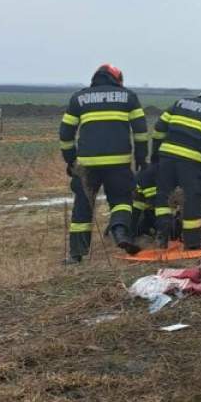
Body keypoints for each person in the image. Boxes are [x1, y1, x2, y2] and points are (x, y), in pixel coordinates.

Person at [58, 63, 147, 260]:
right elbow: (141, 132)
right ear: (117, 79)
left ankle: (76, 255)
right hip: (119, 162)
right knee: (122, 200)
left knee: (83, 205)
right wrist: (141, 158)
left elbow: (65, 133)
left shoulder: (79, 98)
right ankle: (120, 231)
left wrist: (70, 159)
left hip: (87, 163)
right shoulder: (129, 97)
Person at [151, 83, 201, 250]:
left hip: (166, 156)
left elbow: (158, 129)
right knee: (192, 199)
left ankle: (162, 235)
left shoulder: (181, 102)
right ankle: (192, 242)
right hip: (191, 160)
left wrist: (156, 154)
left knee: (163, 196)